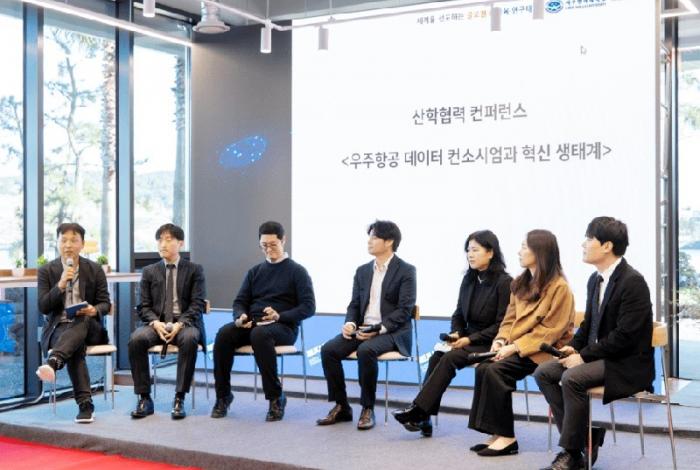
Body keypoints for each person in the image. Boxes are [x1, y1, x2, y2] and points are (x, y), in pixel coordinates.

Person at [534, 217, 654, 470]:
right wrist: (574, 347)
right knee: (544, 372)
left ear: (607, 246)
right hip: (600, 356)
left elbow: (624, 337)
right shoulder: (595, 279)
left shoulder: (633, 282)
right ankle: (586, 438)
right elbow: (589, 324)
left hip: (625, 362)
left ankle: (572, 452)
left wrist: (583, 356)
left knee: (572, 377)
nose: (583, 244)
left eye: (589, 239)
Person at [392, 230, 511, 437]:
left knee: (450, 358)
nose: (470, 255)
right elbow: (458, 314)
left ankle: (419, 411)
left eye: (475, 250)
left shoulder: (505, 282)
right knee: (437, 357)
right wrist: (456, 333)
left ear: (491, 252)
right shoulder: (469, 279)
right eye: (468, 250)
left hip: (491, 342)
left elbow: (502, 324)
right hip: (467, 339)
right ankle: (424, 417)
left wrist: (469, 339)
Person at [468, 229, 575, 457]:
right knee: (484, 367)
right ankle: (496, 432)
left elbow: (550, 331)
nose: (519, 252)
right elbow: (509, 319)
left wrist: (515, 347)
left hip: (545, 351)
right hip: (518, 347)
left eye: (524, 247)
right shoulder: (520, 283)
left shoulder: (560, 288)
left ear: (540, 252)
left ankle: (507, 438)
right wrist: (500, 340)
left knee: (496, 370)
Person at [317, 220, 416, 431]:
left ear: (389, 241)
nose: (369, 241)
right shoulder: (362, 271)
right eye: (369, 237)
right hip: (362, 328)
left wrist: (378, 329)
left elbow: (404, 310)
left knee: (366, 350)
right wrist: (350, 323)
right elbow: (354, 304)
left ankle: (367, 408)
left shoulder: (406, 270)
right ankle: (342, 406)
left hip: (392, 331)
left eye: (374, 237)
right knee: (328, 350)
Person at [211, 221, 315, 421]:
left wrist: (280, 316)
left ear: (283, 240)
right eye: (264, 245)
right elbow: (240, 302)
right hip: (253, 324)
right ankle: (223, 396)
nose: (268, 249)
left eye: (273, 244)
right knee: (224, 334)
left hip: (283, 327)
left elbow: (309, 307)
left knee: (260, 334)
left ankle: (276, 397)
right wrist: (240, 316)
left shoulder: (297, 272)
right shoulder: (255, 272)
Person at [128, 223, 206, 420]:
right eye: (160, 240)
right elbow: (143, 306)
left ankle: (179, 397)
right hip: (158, 324)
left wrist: (180, 324)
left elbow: (197, 304)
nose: (163, 244)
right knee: (136, 339)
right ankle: (144, 398)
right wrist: (156, 323)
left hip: (185, 324)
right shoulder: (149, 271)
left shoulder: (194, 270)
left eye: (168, 239)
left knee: (189, 339)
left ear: (180, 243)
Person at [36, 223, 111, 423]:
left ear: (82, 244)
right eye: (64, 240)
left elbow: (105, 303)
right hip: (59, 328)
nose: (68, 245)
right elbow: (43, 307)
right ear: (57, 243)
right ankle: (85, 405)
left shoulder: (95, 269)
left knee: (82, 318)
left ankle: (54, 361)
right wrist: (60, 285)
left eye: (73, 240)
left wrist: (94, 310)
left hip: (90, 326)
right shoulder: (46, 271)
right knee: (75, 345)